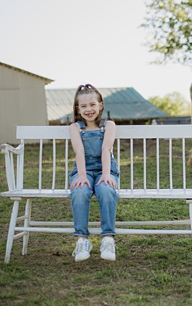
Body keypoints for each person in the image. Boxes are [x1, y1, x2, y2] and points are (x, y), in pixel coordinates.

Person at [69, 83, 119, 262]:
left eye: (92, 104)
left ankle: (108, 239)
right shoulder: (75, 127)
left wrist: (106, 175)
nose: (88, 109)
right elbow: (79, 152)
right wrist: (82, 176)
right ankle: (82, 240)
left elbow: (106, 150)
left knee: (106, 190)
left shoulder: (109, 125)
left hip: (105, 168)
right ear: (78, 109)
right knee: (80, 191)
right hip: (84, 169)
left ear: (100, 105)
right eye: (83, 106)